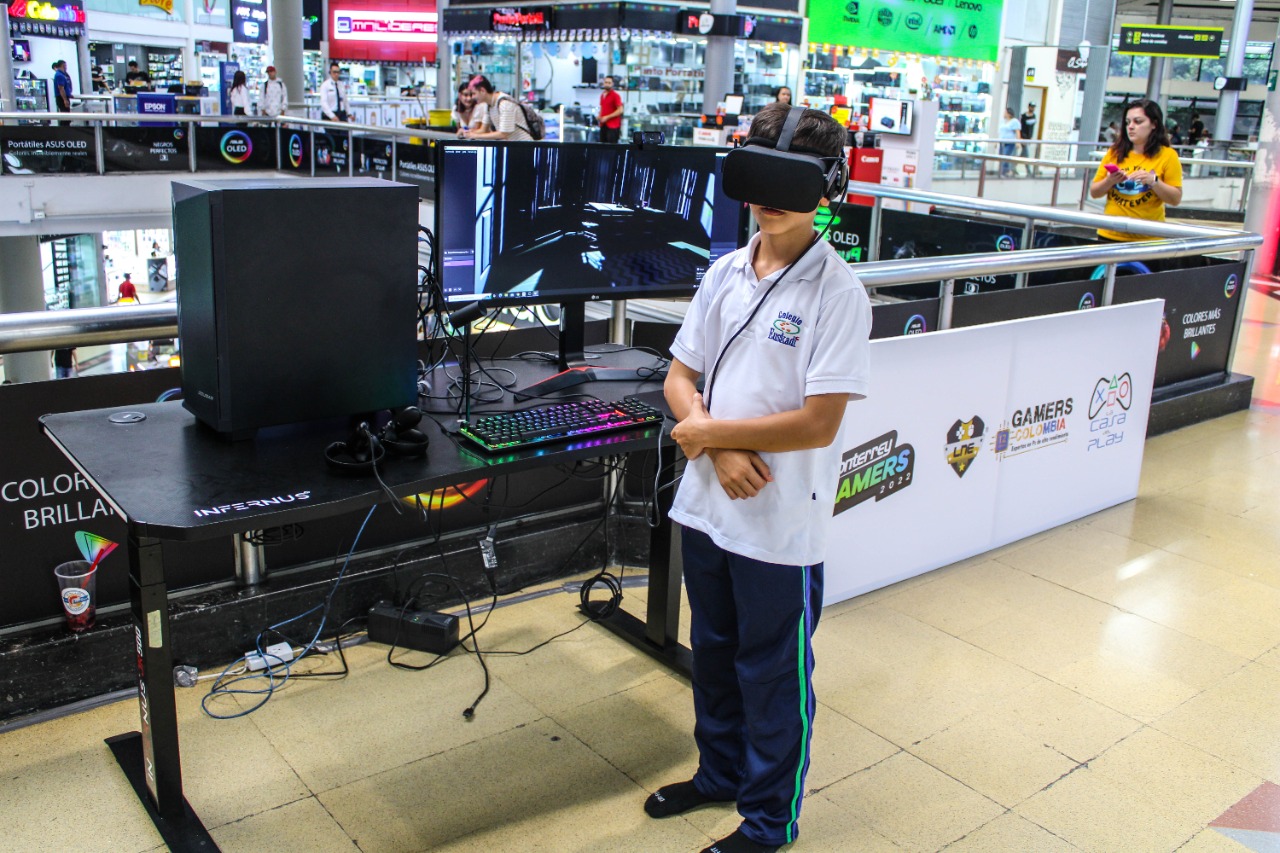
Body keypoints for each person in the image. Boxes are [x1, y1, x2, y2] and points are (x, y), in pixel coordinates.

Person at [650, 102, 871, 853]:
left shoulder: (837, 293)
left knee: (772, 673)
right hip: (709, 506)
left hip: (779, 524)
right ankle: (719, 772)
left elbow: (818, 422)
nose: (768, 200)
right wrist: (715, 449)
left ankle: (769, 820)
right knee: (713, 653)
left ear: (827, 187)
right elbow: (680, 376)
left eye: (788, 183)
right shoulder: (724, 273)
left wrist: (711, 433)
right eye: (758, 179)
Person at [1089, 98, 1183, 242]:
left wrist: (1153, 181)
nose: (1131, 127)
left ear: (1154, 124)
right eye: (1128, 122)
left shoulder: (1168, 155)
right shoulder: (1114, 152)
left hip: (1148, 239)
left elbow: (1175, 199)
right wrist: (1109, 181)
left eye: (1138, 122)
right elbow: (1094, 192)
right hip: (1109, 234)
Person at [461, 75, 532, 141]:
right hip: (511, 145)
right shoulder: (489, 105)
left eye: (474, 93)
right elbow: (483, 130)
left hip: (524, 145)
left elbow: (503, 134)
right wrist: (469, 132)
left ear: (482, 91)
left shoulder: (504, 104)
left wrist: (474, 135)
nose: (472, 97)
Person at [599, 75, 624, 143]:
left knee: (611, 146)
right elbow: (602, 107)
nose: (607, 84)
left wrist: (607, 117)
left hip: (613, 126)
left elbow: (620, 110)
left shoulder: (615, 96)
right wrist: (599, 116)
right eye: (606, 82)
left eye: (609, 83)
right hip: (603, 125)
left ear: (612, 84)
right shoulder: (602, 95)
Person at [998, 107, 1021, 178]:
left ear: (1009, 114)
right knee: (1001, 157)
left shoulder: (1014, 121)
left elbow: (1017, 132)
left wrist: (1018, 142)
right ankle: (1005, 171)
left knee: (1006, 156)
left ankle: (1005, 171)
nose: (1004, 114)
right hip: (1002, 142)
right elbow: (1001, 132)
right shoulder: (1003, 121)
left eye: (1005, 112)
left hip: (1010, 142)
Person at [51, 60, 73, 125]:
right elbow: (61, 88)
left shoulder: (63, 74)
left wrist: (69, 94)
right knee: (65, 118)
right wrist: (65, 100)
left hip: (64, 97)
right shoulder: (59, 75)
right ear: (63, 65)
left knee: (67, 117)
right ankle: (64, 130)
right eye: (65, 66)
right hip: (61, 98)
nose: (66, 67)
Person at [1019, 102, 1038, 175]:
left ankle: (1012, 166)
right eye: (1031, 107)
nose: (1032, 108)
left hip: (1028, 138)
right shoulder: (1023, 116)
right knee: (1026, 154)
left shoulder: (1034, 116)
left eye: (1034, 107)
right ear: (1029, 107)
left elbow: (1031, 128)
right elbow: (1021, 128)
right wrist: (1021, 137)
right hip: (1023, 138)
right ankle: (1028, 171)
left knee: (1023, 154)